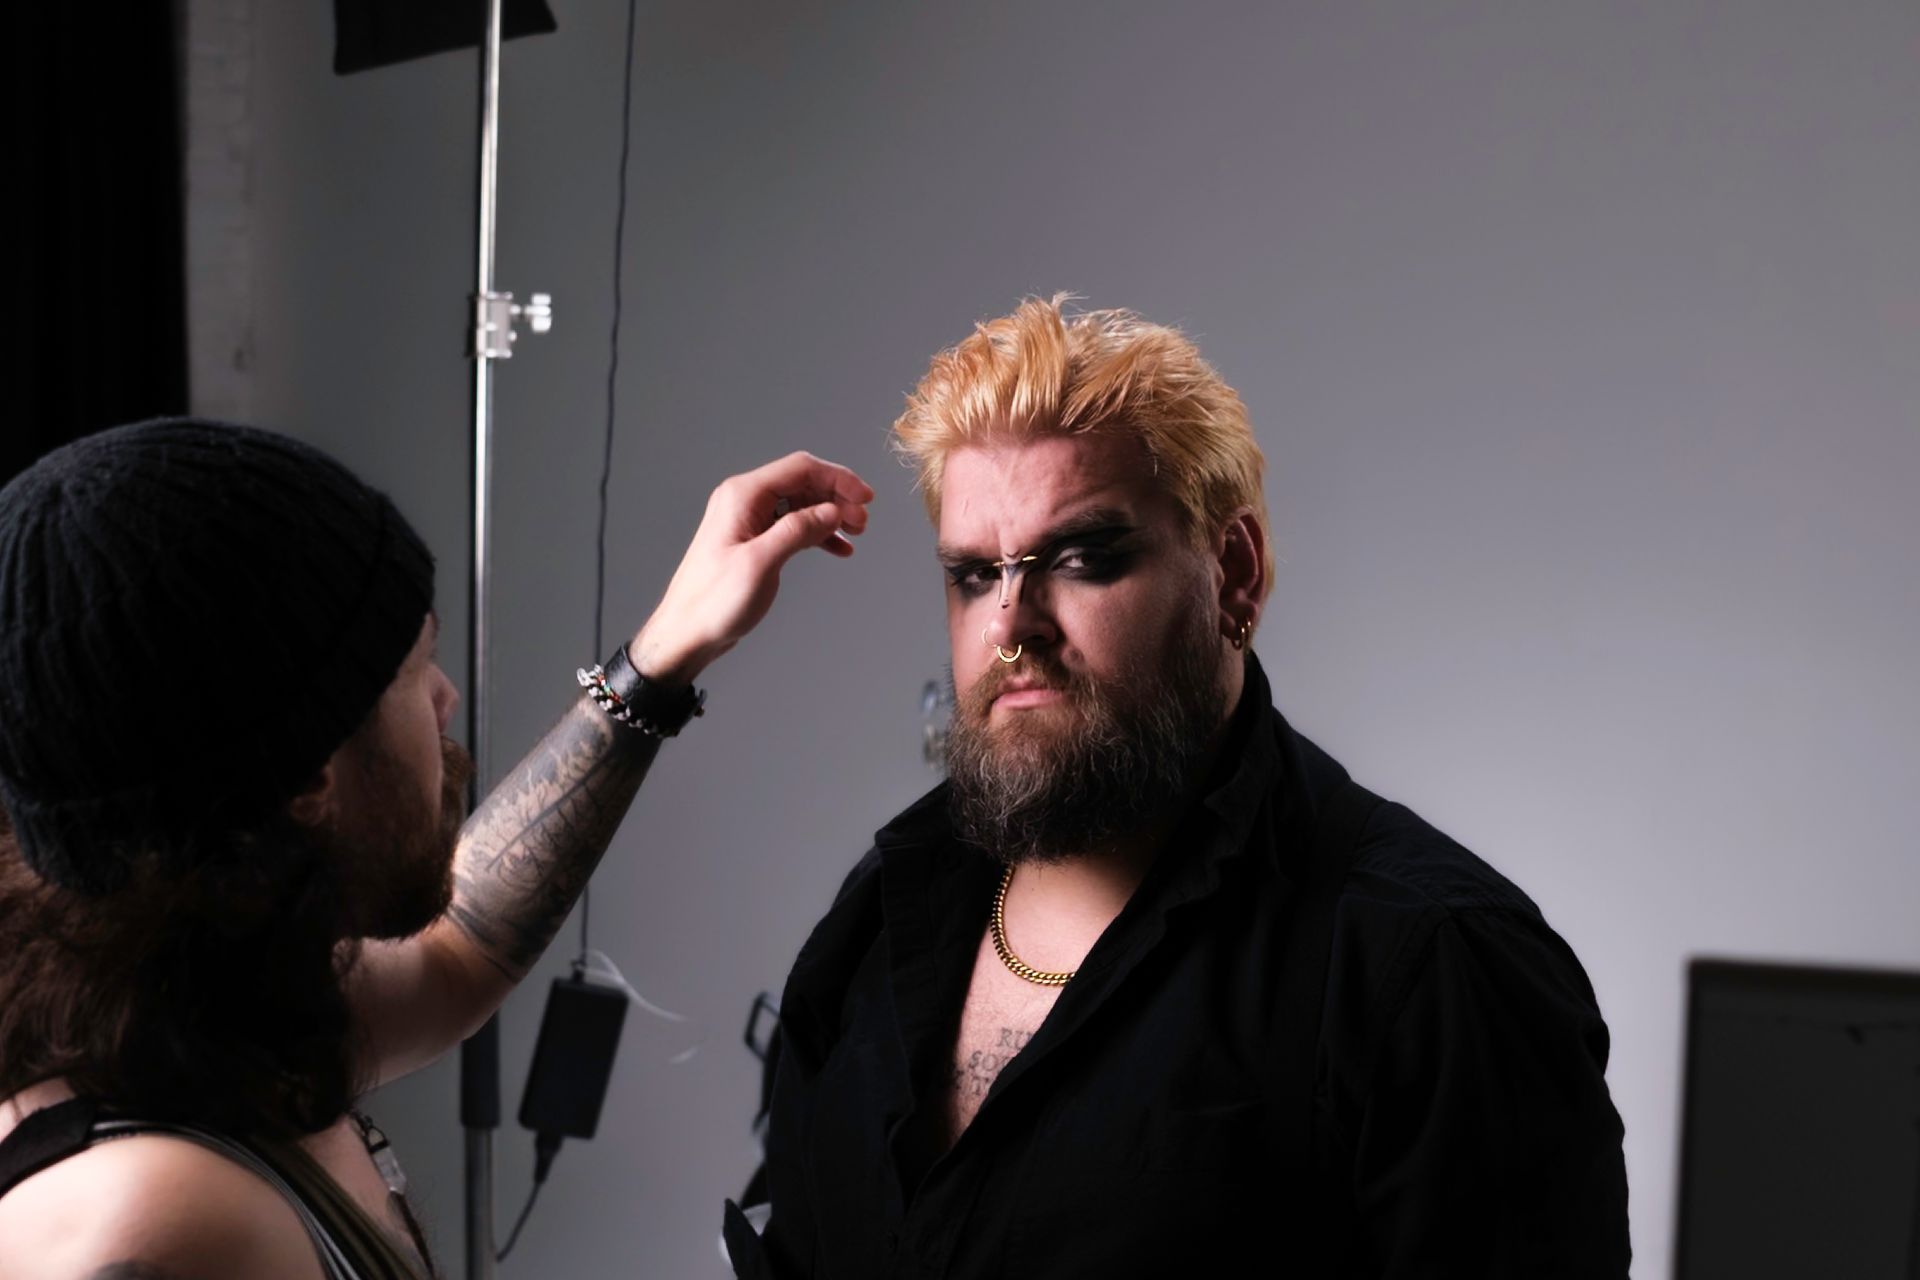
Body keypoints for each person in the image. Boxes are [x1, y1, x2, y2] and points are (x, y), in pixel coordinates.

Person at [726, 297, 1631, 1278]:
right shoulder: (886, 911)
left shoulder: (1430, 964)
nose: (1010, 625)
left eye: (1080, 557)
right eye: (975, 574)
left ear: (1234, 574)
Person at [0, 419, 872, 1278]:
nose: (445, 699)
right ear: (308, 776)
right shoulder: (173, 1229)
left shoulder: (156, 992)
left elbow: (454, 953)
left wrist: (661, 660)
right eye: (415, 669)